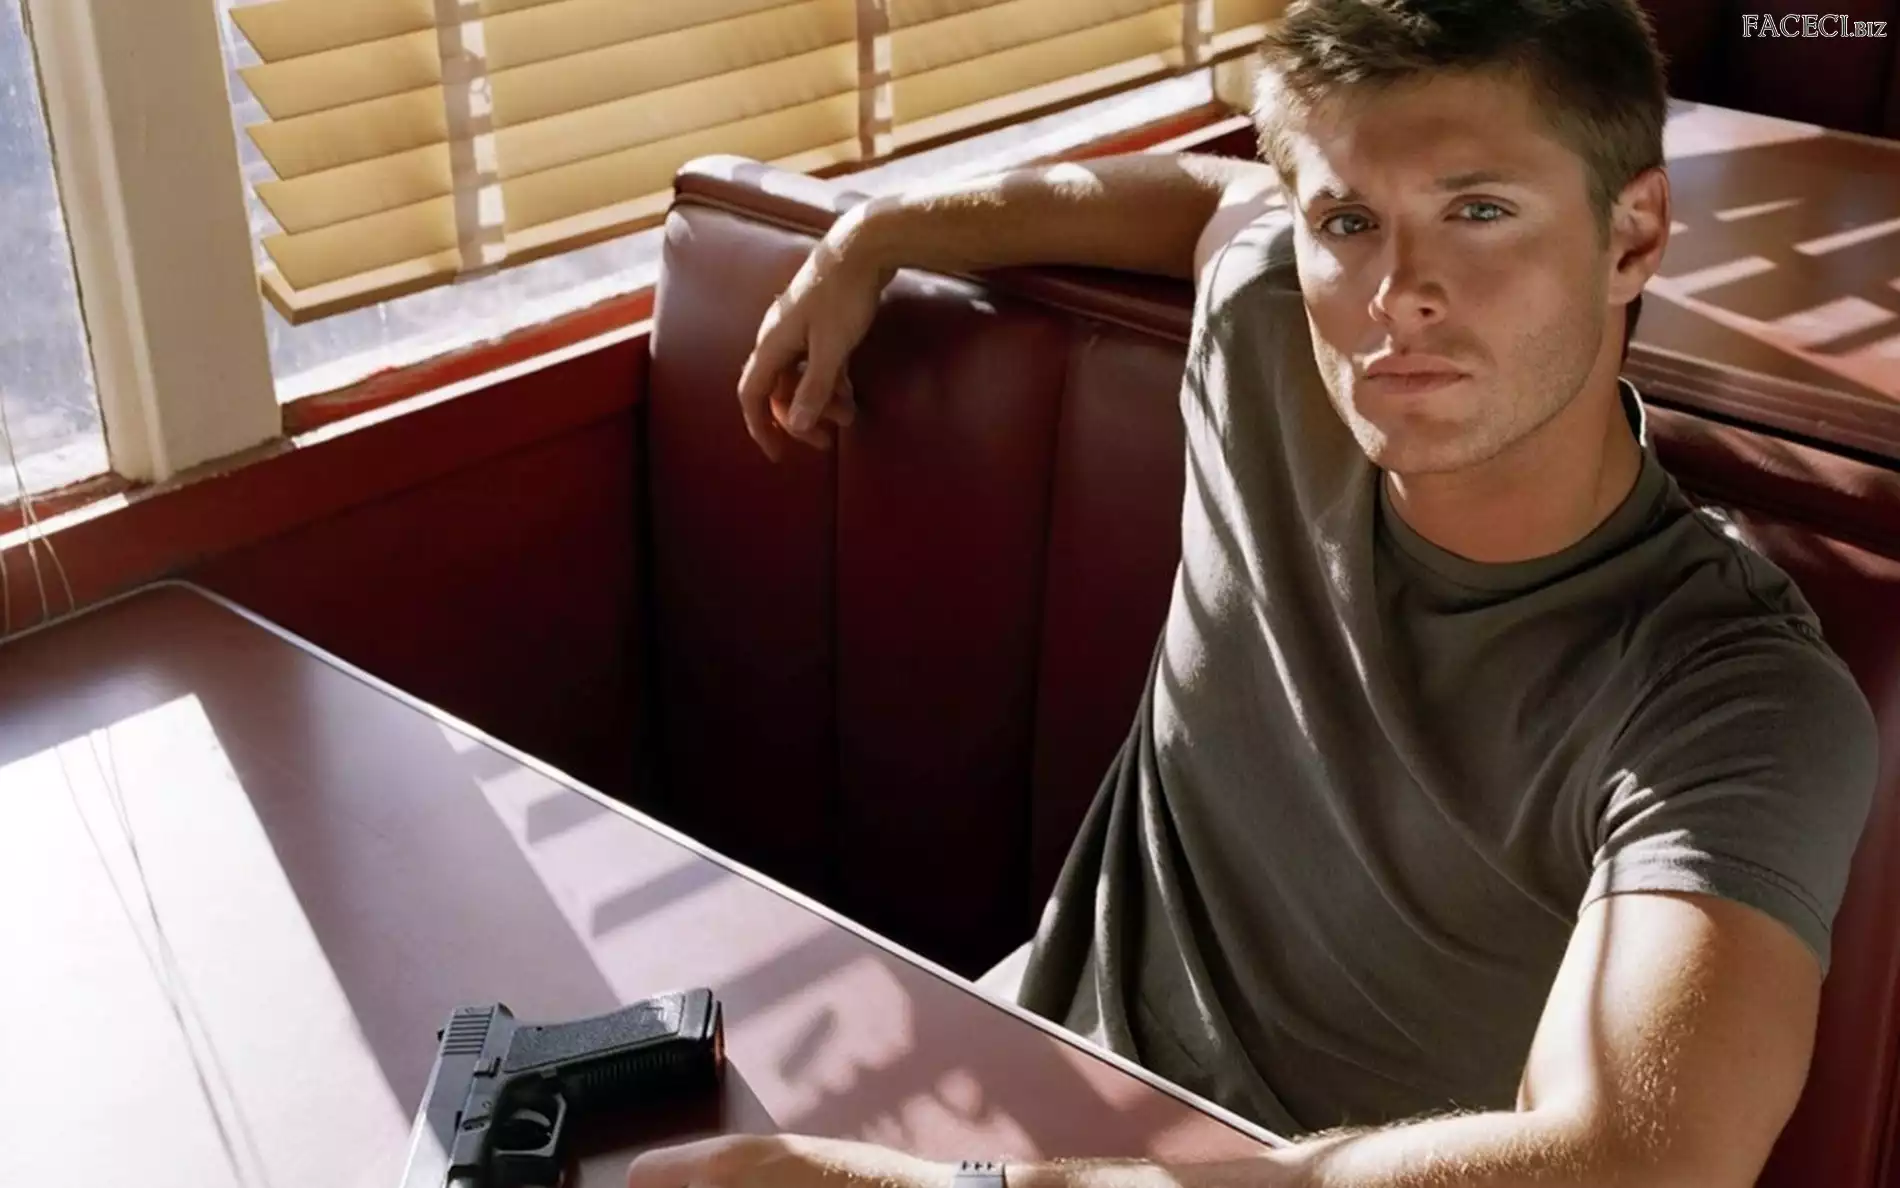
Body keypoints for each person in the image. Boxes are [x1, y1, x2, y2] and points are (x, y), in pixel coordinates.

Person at [629, 1, 1879, 1185]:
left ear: (1633, 236)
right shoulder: (1270, 335)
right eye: (1349, 221)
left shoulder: (1732, 692)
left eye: (1479, 210)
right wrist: (880, 232)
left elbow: (1644, 1161)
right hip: (1003, 1075)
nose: (1396, 294)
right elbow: (1204, 199)